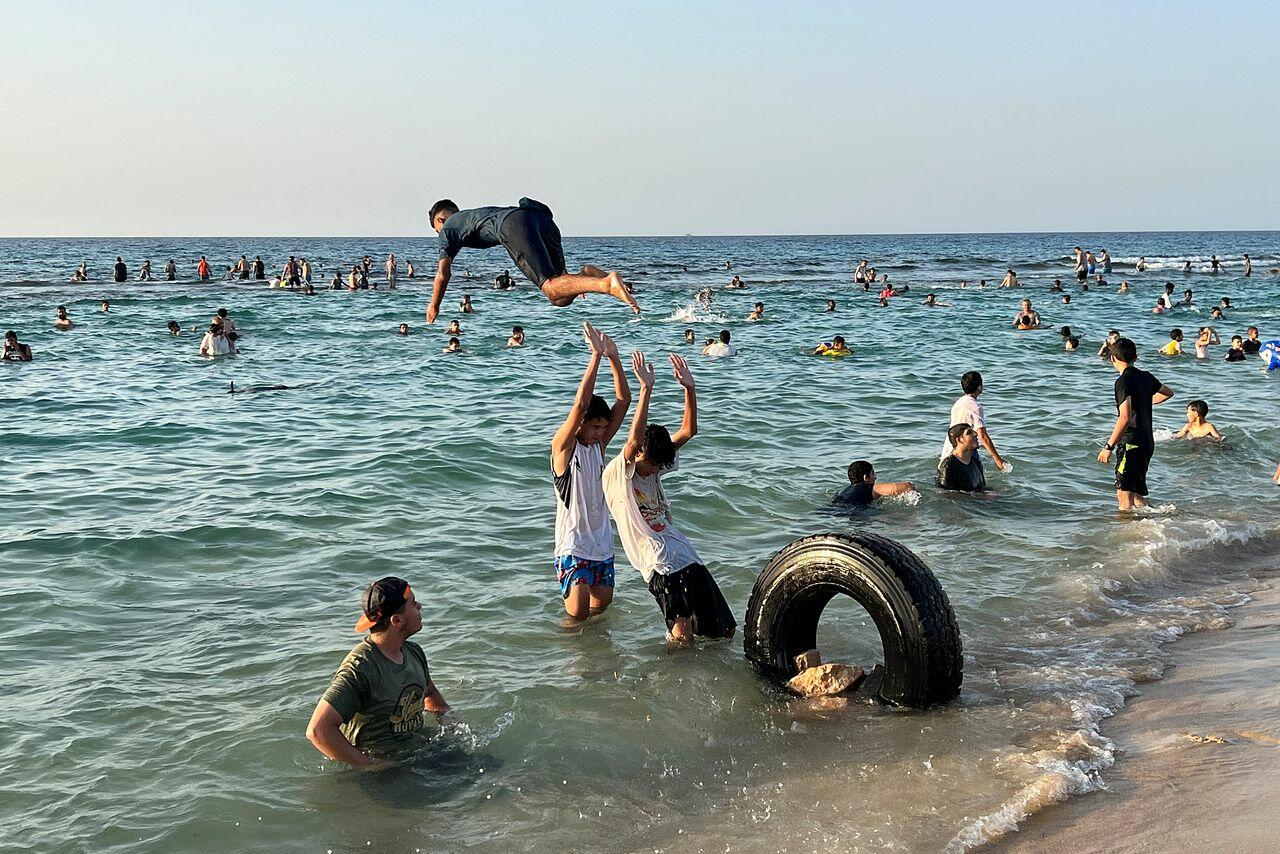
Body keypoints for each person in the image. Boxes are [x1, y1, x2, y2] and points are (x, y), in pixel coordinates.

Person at [602, 352, 735, 642]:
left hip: (685, 554)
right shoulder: (619, 473)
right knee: (682, 636)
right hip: (659, 563)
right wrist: (645, 390)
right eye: (650, 465)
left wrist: (690, 388)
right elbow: (634, 440)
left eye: (659, 467)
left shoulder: (656, 462)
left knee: (723, 630)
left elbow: (689, 430)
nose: (653, 472)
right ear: (638, 456)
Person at [306, 577, 449, 767]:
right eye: (414, 604)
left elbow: (428, 692)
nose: (420, 607)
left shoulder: (413, 651)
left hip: (417, 753)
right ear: (396, 620)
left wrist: (449, 720)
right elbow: (318, 730)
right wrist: (373, 765)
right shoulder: (361, 668)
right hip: (385, 773)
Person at [426, 198, 637, 323]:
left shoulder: (448, 228)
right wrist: (576, 283)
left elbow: (443, 275)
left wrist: (434, 306)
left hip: (513, 225)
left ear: (440, 221)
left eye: (437, 231)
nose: (440, 236)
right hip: (539, 217)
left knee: (551, 288)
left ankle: (606, 283)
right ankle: (586, 275)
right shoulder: (470, 217)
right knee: (560, 298)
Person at [551, 322, 631, 621]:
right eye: (595, 426)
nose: (601, 432)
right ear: (581, 424)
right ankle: (573, 666)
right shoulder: (563, 450)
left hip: (601, 544)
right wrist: (595, 357)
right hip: (573, 545)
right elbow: (581, 403)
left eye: (603, 427)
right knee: (577, 618)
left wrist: (614, 356)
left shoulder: (597, 446)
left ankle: (600, 666)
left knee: (602, 614)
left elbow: (623, 401)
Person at [1098, 337, 1174, 510]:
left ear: (1112, 358)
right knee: (1135, 493)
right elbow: (1168, 393)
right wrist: (1144, 401)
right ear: (1136, 357)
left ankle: (1125, 535)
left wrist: (1108, 446)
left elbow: (1124, 418)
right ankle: (1161, 517)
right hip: (1147, 442)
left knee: (1124, 497)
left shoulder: (1122, 381)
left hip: (1131, 443)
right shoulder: (1146, 376)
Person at [942, 370, 1008, 471]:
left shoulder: (958, 403)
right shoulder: (975, 407)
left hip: (951, 446)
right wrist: (998, 459)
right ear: (980, 387)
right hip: (966, 447)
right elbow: (983, 436)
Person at [833, 460, 914, 506]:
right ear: (865, 477)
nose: (875, 477)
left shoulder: (844, 492)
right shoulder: (867, 487)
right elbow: (899, 488)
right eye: (873, 473)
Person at [937, 424, 987, 492]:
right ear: (959, 440)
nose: (976, 434)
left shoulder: (975, 462)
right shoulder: (948, 466)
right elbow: (946, 496)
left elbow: (983, 488)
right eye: (969, 433)